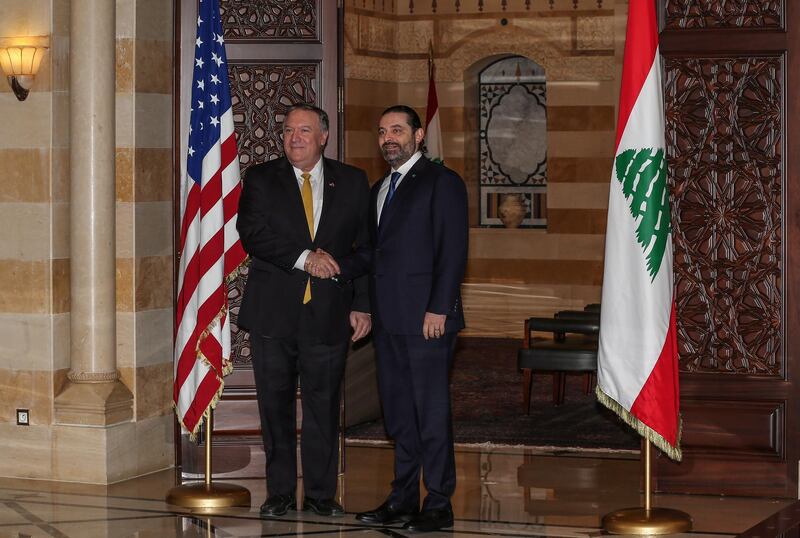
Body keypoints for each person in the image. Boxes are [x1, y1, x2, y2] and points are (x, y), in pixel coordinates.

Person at [331, 105, 469, 532]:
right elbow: (374, 255)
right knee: (399, 414)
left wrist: (440, 307)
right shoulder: (379, 188)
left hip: (428, 319)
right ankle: (403, 497)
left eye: (397, 129)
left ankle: (439, 502)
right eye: (381, 131)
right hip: (388, 321)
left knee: (429, 412)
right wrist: (332, 265)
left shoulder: (442, 182)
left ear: (418, 133)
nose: (388, 137)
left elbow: (452, 251)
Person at [236, 103, 371, 518]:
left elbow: (365, 248)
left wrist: (363, 305)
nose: (295, 138)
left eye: (305, 131)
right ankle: (278, 494)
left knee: (323, 409)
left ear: (324, 137)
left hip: (329, 314)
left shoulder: (352, 181)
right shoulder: (261, 178)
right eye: (290, 130)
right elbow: (252, 234)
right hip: (273, 315)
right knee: (274, 409)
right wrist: (303, 257)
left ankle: (319, 495)